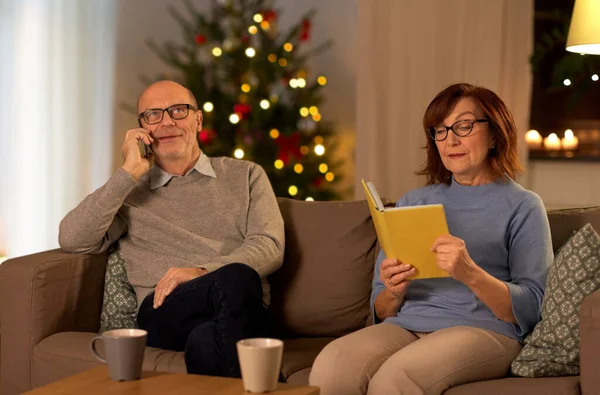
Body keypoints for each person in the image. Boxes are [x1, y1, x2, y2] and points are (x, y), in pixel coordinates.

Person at [309, 83, 552, 395]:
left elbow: (532, 307)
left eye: (464, 126)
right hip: (406, 325)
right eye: (440, 129)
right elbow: (381, 307)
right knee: (332, 363)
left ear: (495, 133)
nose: (450, 139)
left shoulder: (523, 206)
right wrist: (394, 292)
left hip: (484, 330)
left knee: (395, 378)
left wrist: (470, 273)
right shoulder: (413, 202)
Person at [59, 80, 285, 378]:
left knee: (206, 340)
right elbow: (72, 238)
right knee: (236, 275)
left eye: (178, 110)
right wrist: (127, 173)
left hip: (237, 303)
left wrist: (200, 270)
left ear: (198, 119)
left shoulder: (245, 175)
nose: (167, 122)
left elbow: (270, 246)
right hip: (164, 308)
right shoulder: (129, 192)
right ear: (142, 129)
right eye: (153, 115)